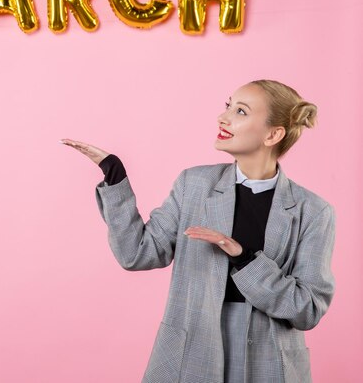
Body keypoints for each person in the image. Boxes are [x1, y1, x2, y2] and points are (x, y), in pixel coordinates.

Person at [60, 79, 336, 383]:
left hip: (269, 362)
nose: (224, 117)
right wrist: (115, 177)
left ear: (273, 134)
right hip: (191, 352)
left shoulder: (313, 211)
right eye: (228, 105)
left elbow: (307, 309)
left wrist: (244, 259)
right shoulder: (193, 185)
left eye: (241, 111)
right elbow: (137, 254)